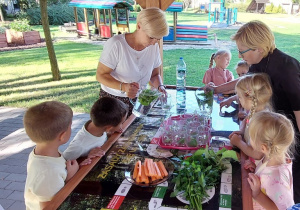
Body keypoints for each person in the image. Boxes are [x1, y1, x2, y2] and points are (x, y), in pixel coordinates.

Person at [209, 20, 300, 202]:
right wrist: (218, 90)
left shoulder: (286, 68)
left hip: (286, 138)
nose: (239, 55)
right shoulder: (261, 60)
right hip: (268, 130)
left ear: (258, 48)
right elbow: (247, 84)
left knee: (289, 188)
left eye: (242, 50)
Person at [96, 7, 169, 116]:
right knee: (117, 133)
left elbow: (154, 75)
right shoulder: (116, 44)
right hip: (113, 102)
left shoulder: (153, 47)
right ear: (139, 26)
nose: (154, 42)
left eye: (157, 39)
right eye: (151, 37)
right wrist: (124, 87)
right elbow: (100, 75)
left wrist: (160, 87)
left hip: (139, 100)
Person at [23, 101, 79, 210]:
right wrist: (70, 178)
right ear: (62, 136)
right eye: (70, 126)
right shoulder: (48, 172)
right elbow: (49, 207)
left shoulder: (41, 153)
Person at [244, 111, 295, 210]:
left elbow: (281, 208)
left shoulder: (277, 179)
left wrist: (257, 192)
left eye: (251, 138)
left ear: (263, 148)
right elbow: (267, 176)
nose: (250, 140)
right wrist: (257, 171)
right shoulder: (275, 156)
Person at [63, 97, 128, 162]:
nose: (122, 126)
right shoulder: (79, 146)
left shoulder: (99, 125)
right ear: (109, 127)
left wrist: (110, 132)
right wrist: (85, 159)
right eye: (121, 123)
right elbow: (62, 164)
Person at [229, 73, 273, 160]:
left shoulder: (262, 123)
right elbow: (246, 119)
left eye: (240, 97)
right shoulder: (256, 110)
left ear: (250, 99)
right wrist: (241, 131)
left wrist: (238, 142)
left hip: (255, 167)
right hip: (246, 156)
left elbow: (257, 154)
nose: (238, 99)